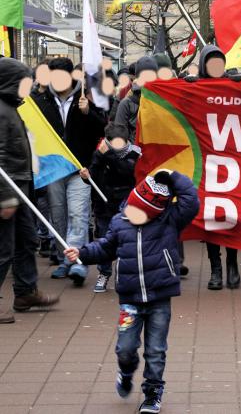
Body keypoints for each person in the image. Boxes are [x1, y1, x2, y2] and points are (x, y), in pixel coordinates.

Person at [65, 170, 199, 414]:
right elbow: (105, 248)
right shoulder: (119, 222)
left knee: (156, 350)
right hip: (129, 301)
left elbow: (191, 200)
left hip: (160, 298)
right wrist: (82, 253)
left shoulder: (169, 220)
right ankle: (126, 371)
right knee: (125, 348)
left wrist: (172, 176)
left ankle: (152, 393)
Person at [32, 57, 106, 287]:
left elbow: (102, 127)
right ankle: (65, 256)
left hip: (79, 168)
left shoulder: (84, 99)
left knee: (79, 213)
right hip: (53, 168)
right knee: (58, 215)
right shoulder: (42, 100)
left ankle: (78, 262)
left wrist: (87, 113)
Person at [0, 58, 60, 323]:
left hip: (20, 184)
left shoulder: (10, 108)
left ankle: (25, 292)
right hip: (9, 188)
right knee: (4, 248)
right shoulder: (2, 111)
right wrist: (5, 197)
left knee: (27, 240)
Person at [191, 45, 241, 290]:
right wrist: (185, 84)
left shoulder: (233, 88)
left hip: (231, 162)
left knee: (230, 215)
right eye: (210, 63)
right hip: (206, 163)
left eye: (219, 63)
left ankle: (232, 263)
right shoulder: (196, 88)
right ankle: (216, 268)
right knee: (211, 217)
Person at [79, 123, 141, 293]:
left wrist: (108, 157)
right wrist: (87, 176)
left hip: (126, 205)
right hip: (104, 205)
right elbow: (93, 176)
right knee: (104, 240)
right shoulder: (101, 152)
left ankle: (127, 276)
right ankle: (104, 273)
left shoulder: (135, 153)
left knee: (128, 240)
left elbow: (127, 171)